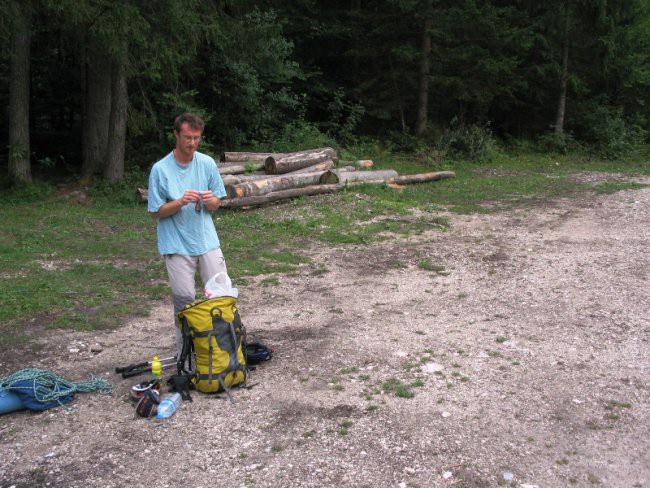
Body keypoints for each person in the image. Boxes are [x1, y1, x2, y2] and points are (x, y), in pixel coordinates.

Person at [147, 112, 228, 357]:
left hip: (207, 241)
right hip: (176, 245)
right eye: (187, 137)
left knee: (221, 296)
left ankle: (225, 350)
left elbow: (217, 203)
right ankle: (187, 356)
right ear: (176, 135)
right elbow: (155, 212)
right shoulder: (160, 169)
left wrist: (210, 200)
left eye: (196, 138)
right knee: (185, 302)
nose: (191, 143)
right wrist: (180, 201)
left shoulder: (207, 163)